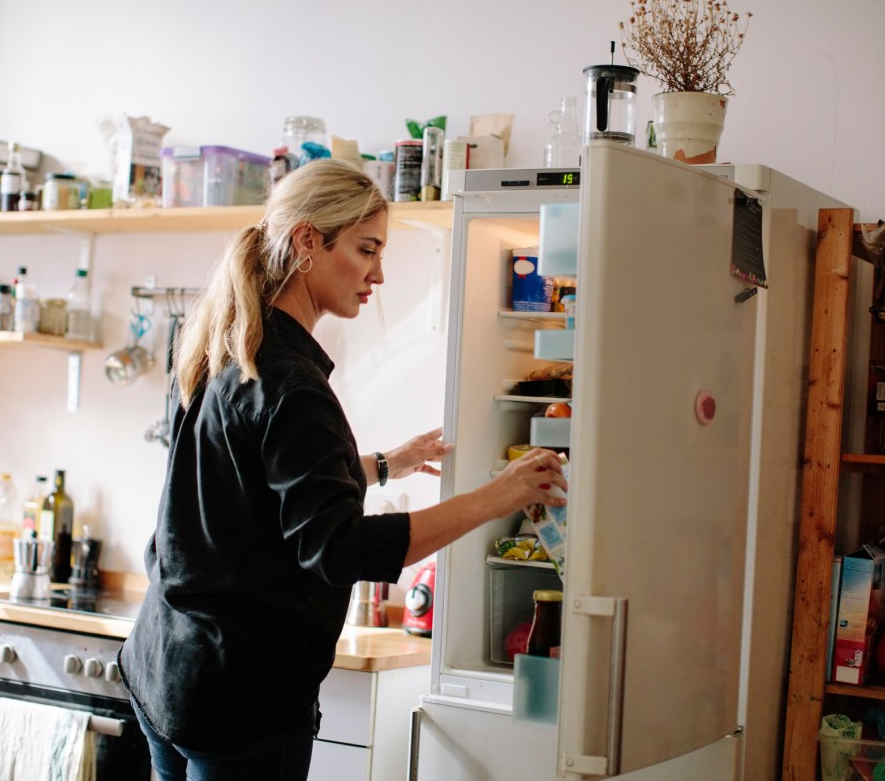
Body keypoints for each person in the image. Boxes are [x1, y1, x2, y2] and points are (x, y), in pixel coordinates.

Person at [118, 159, 567, 780]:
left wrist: (388, 463)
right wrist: (498, 496)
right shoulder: (293, 385)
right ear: (308, 241)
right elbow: (340, 549)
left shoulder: (230, 346)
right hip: (241, 697)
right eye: (366, 250)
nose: (378, 274)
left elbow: (261, 485)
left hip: (169, 668)